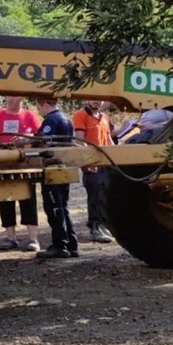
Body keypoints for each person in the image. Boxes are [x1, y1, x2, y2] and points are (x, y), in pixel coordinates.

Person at [0, 96, 42, 252]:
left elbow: (40, 137)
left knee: (28, 200)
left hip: (24, 165)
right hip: (2, 164)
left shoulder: (29, 116)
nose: (9, 99)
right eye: (7, 95)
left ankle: (33, 238)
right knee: (5, 200)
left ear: (21, 97)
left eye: (13, 95)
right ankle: (10, 237)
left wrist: (27, 139)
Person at [34, 97, 79, 259]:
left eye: (39, 108)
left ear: (45, 104)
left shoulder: (51, 120)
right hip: (64, 168)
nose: (39, 112)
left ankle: (60, 244)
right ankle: (71, 244)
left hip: (53, 169)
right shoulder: (66, 118)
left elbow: (44, 143)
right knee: (63, 206)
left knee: (53, 207)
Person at [73, 100, 115, 243]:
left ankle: (103, 224)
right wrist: (88, 161)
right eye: (93, 98)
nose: (96, 101)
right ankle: (95, 227)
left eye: (99, 99)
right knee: (94, 195)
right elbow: (80, 140)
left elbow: (108, 139)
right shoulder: (81, 115)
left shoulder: (104, 117)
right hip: (92, 163)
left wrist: (116, 158)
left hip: (104, 162)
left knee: (105, 194)